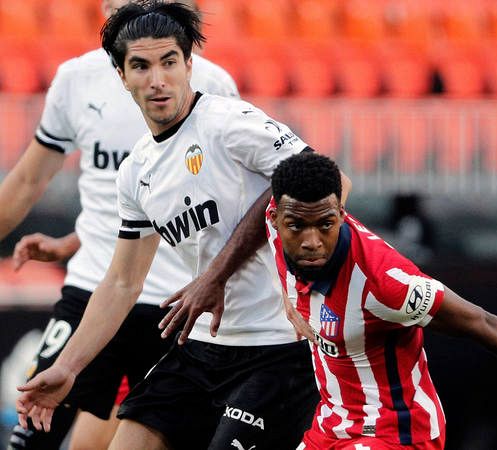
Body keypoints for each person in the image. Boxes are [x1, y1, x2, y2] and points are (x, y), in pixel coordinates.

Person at [13, 2, 335, 449]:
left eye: (169, 63)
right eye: (141, 66)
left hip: (273, 348)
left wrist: (217, 277)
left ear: (189, 64)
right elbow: (123, 280)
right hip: (199, 345)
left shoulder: (227, 121)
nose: (157, 80)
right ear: (121, 76)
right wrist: (67, 368)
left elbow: (318, 177)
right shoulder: (137, 171)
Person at [264, 152, 497, 449]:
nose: (312, 241)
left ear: (341, 215)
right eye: (297, 225)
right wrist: (288, 293)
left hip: (397, 433)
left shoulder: (385, 284)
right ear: (278, 217)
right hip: (332, 425)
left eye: (326, 225)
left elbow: (481, 323)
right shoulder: (274, 224)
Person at [1, 0, 238, 448]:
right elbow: (28, 179)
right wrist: (76, 242)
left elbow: (228, 200)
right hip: (94, 289)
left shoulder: (213, 86)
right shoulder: (77, 80)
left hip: (175, 304)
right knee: (32, 434)